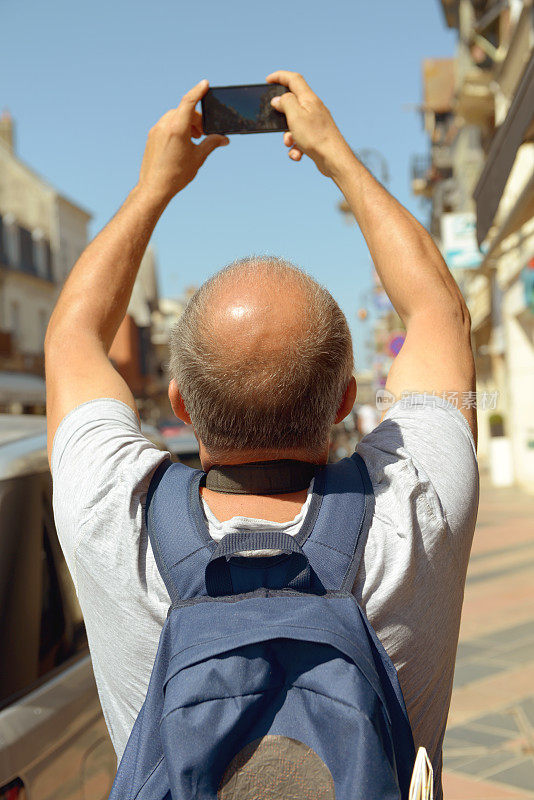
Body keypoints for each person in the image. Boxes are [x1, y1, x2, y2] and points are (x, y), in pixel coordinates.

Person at [45, 72, 478, 799]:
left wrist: (154, 187)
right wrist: (335, 153)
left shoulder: (109, 513)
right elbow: (438, 309)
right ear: (345, 401)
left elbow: (72, 336)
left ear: (180, 405)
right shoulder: (418, 505)